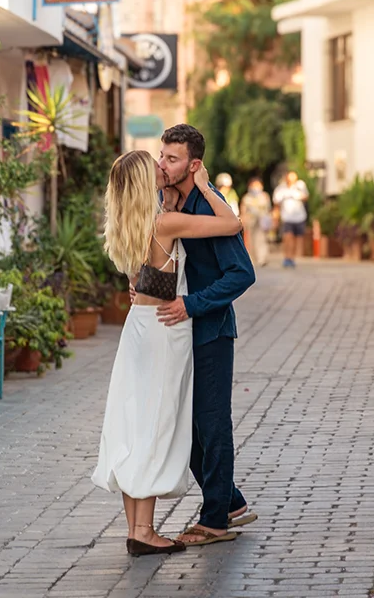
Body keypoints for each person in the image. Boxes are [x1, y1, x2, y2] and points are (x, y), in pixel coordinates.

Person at [92, 149, 243, 557]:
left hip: (138, 327)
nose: (163, 168)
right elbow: (232, 223)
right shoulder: (166, 223)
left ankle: (136, 528)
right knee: (155, 426)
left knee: (134, 424)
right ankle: (145, 531)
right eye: (156, 167)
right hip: (164, 331)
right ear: (145, 182)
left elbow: (152, 283)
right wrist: (208, 187)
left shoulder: (126, 224)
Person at [155, 124, 257, 547]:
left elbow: (242, 273)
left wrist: (192, 305)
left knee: (211, 424)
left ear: (194, 165)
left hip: (211, 331)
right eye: (162, 155)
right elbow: (176, 267)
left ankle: (216, 519)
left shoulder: (210, 208)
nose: (163, 164)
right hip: (178, 333)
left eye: (172, 158)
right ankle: (229, 501)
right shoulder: (169, 202)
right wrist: (144, 287)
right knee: (184, 425)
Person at [272, 171, 309, 268]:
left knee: (296, 239)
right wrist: (275, 218)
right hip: (287, 217)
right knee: (288, 237)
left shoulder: (300, 186)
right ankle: (286, 257)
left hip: (299, 217)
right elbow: (276, 204)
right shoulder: (281, 189)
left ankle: (292, 257)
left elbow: (306, 197)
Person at [240, 177, 272, 267]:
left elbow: (268, 209)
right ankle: (251, 258)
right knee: (250, 239)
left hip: (262, 220)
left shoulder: (265, 196)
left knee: (262, 239)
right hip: (251, 220)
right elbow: (243, 209)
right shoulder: (247, 197)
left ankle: (262, 258)